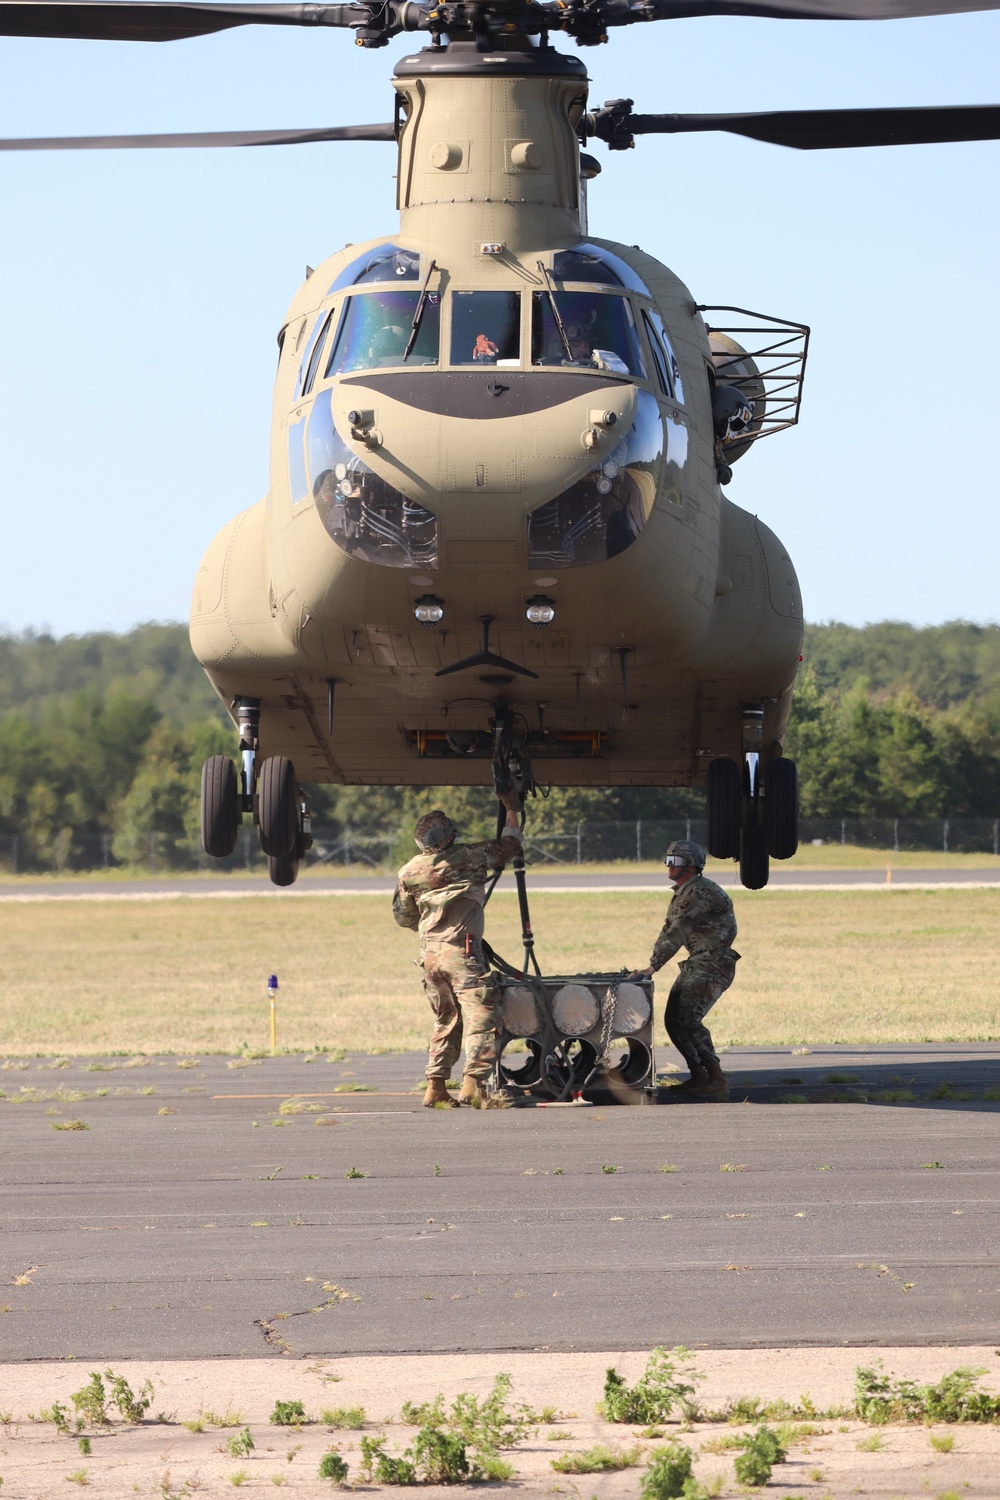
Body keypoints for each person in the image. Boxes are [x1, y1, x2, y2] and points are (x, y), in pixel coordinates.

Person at [393, 802, 523, 1108]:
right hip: (461, 954)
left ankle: (435, 1086)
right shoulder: (468, 857)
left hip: (430, 956)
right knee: (482, 1017)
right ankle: (473, 1085)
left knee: (446, 1019)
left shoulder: (408, 871)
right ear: (449, 834)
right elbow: (510, 847)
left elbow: (404, 917)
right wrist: (512, 809)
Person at [629, 839, 739, 1098]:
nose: (669, 866)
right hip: (699, 962)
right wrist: (651, 963)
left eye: (675, 861)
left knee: (688, 1021)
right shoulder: (686, 891)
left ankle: (715, 1077)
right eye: (668, 860)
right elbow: (670, 929)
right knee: (675, 1020)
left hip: (711, 964)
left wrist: (652, 967)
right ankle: (699, 1076)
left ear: (691, 866)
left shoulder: (698, 893)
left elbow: (678, 931)